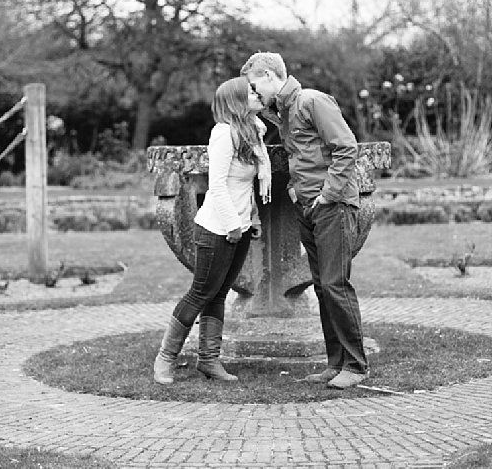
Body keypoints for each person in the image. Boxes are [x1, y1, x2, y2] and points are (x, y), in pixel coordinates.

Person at [241, 52, 369, 389]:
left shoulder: (312, 101)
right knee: (323, 287)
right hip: (309, 206)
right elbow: (301, 154)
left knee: (335, 284)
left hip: (333, 206)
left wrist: (327, 195)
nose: (254, 94)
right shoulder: (283, 110)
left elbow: (346, 147)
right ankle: (335, 364)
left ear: (269, 76)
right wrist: (298, 193)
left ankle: (356, 366)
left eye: (255, 86)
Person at [153, 76, 271, 385]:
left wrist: (252, 220)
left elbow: (246, 186)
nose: (258, 95)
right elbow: (216, 185)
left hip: (241, 227)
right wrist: (233, 225)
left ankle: (209, 360)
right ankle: (166, 357)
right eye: (251, 92)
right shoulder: (224, 134)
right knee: (201, 292)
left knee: (218, 294)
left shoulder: (255, 132)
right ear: (236, 101)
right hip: (217, 228)